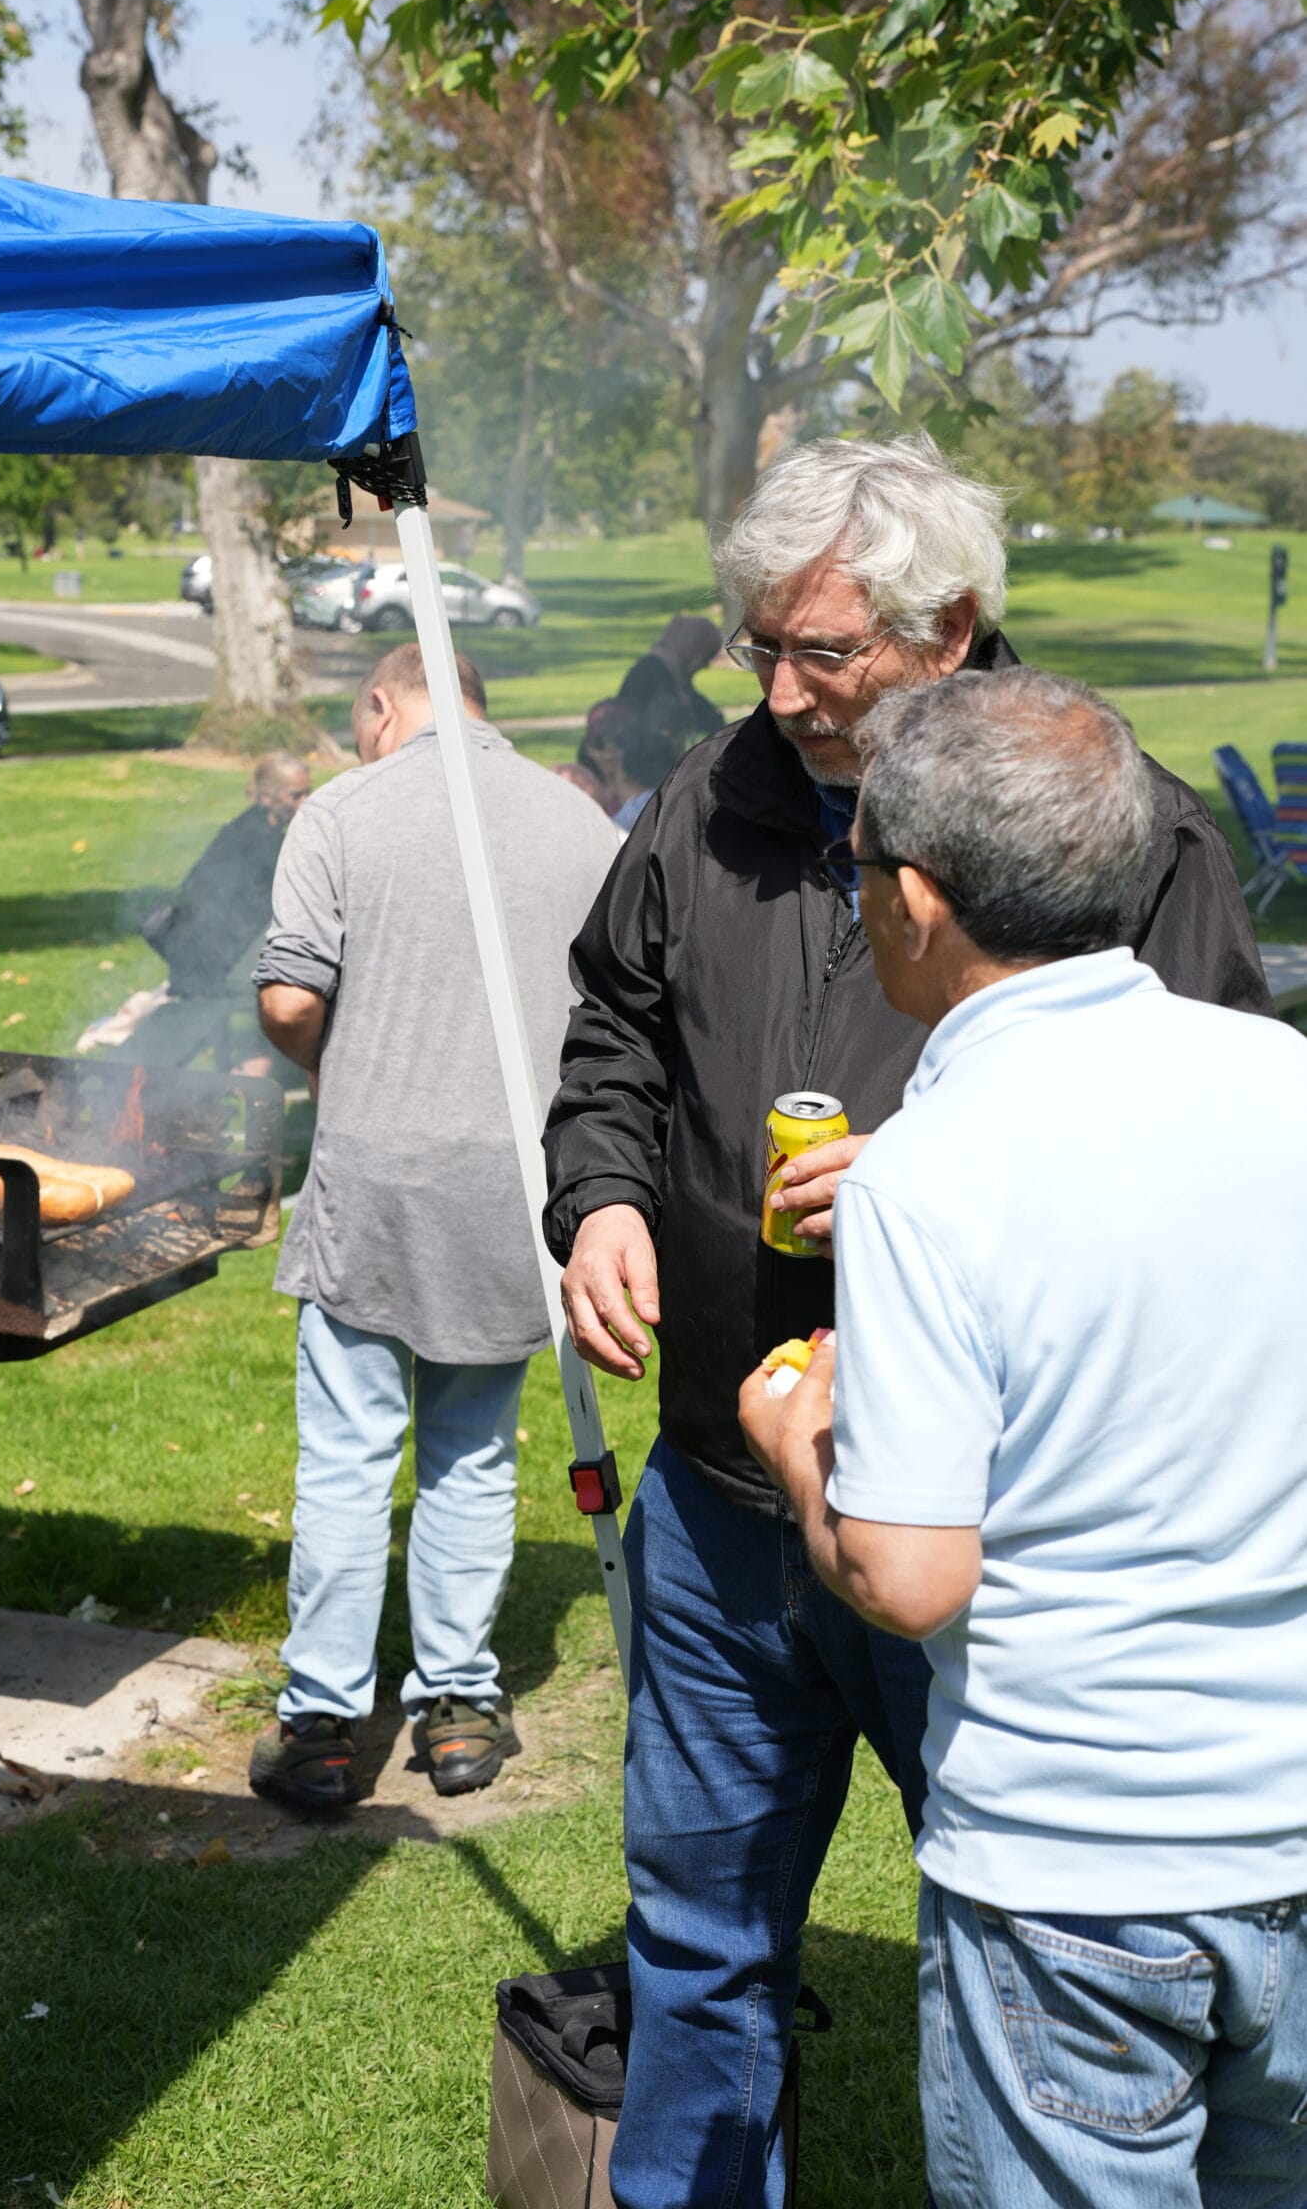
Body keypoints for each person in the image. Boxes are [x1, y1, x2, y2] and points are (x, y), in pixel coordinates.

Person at [542, 433, 1272, 2209]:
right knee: (696, 1929)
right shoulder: (706, 800)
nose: (778, 694)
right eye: (756, 649)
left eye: (823, 654)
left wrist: (934, 1170)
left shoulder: (1119, 822)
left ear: (948, 631)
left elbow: (1186, 1124)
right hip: (725, 1485)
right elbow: (611, 1037)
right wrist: (602, 1200)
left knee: (1045, 1939)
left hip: (987, 1531)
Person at [740, 667, 1307, 2209]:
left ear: (911, 898)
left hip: (1076, 1873)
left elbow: (912, 1577)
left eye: (856, 871)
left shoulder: (933, 1169)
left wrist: (797, 1435)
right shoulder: (1282, 1077)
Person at [249, 644, 620, 1812]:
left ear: (382, 703)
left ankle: (320, 1722)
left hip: (372, 1176)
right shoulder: (581, 824)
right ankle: (458, 1709)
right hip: (514, 1184)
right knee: (469, 1452)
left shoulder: (341, 810)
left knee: (350, 1458)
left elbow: (290, 997)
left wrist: (343, 1066)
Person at [76, 750, 309, 1064]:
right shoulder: (260, 842)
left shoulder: (245, 829)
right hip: (210, 962)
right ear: (268, 797)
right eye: (297, 795)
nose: (306, 802)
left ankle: (247, 1086)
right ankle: (254, 1092)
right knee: (273, 1011)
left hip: (206, 956)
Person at [615, 612, 724, 751]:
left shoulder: (674, 675)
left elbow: (704, 713)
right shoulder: (649, 673)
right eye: (703, 658)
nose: (704, 666)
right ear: (691, 650)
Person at [577, 698, 682, 830]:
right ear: (587, 747)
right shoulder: (583, 784)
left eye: (618, 742)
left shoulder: (639, 798)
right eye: (599, 744)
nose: (608, 752)